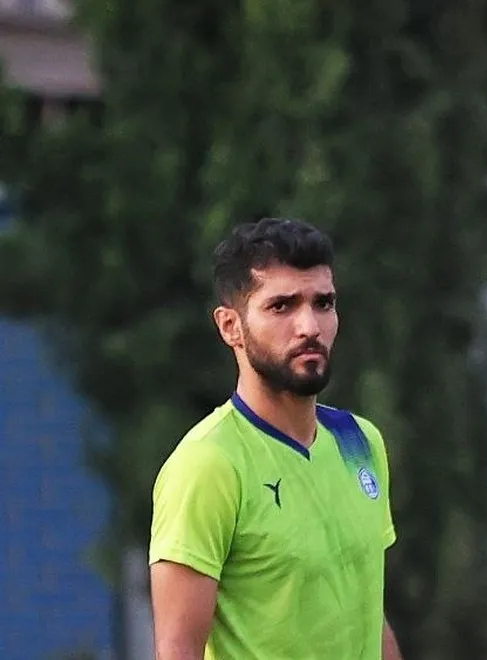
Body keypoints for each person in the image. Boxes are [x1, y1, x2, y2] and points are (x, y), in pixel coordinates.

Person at [148, 218, 405, 660]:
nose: (310, 326)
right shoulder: (209, 464)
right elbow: (177, 650)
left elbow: (367, 608)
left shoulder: (360, 441)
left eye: (323, 303)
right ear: (230, 326)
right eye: (282, 306)